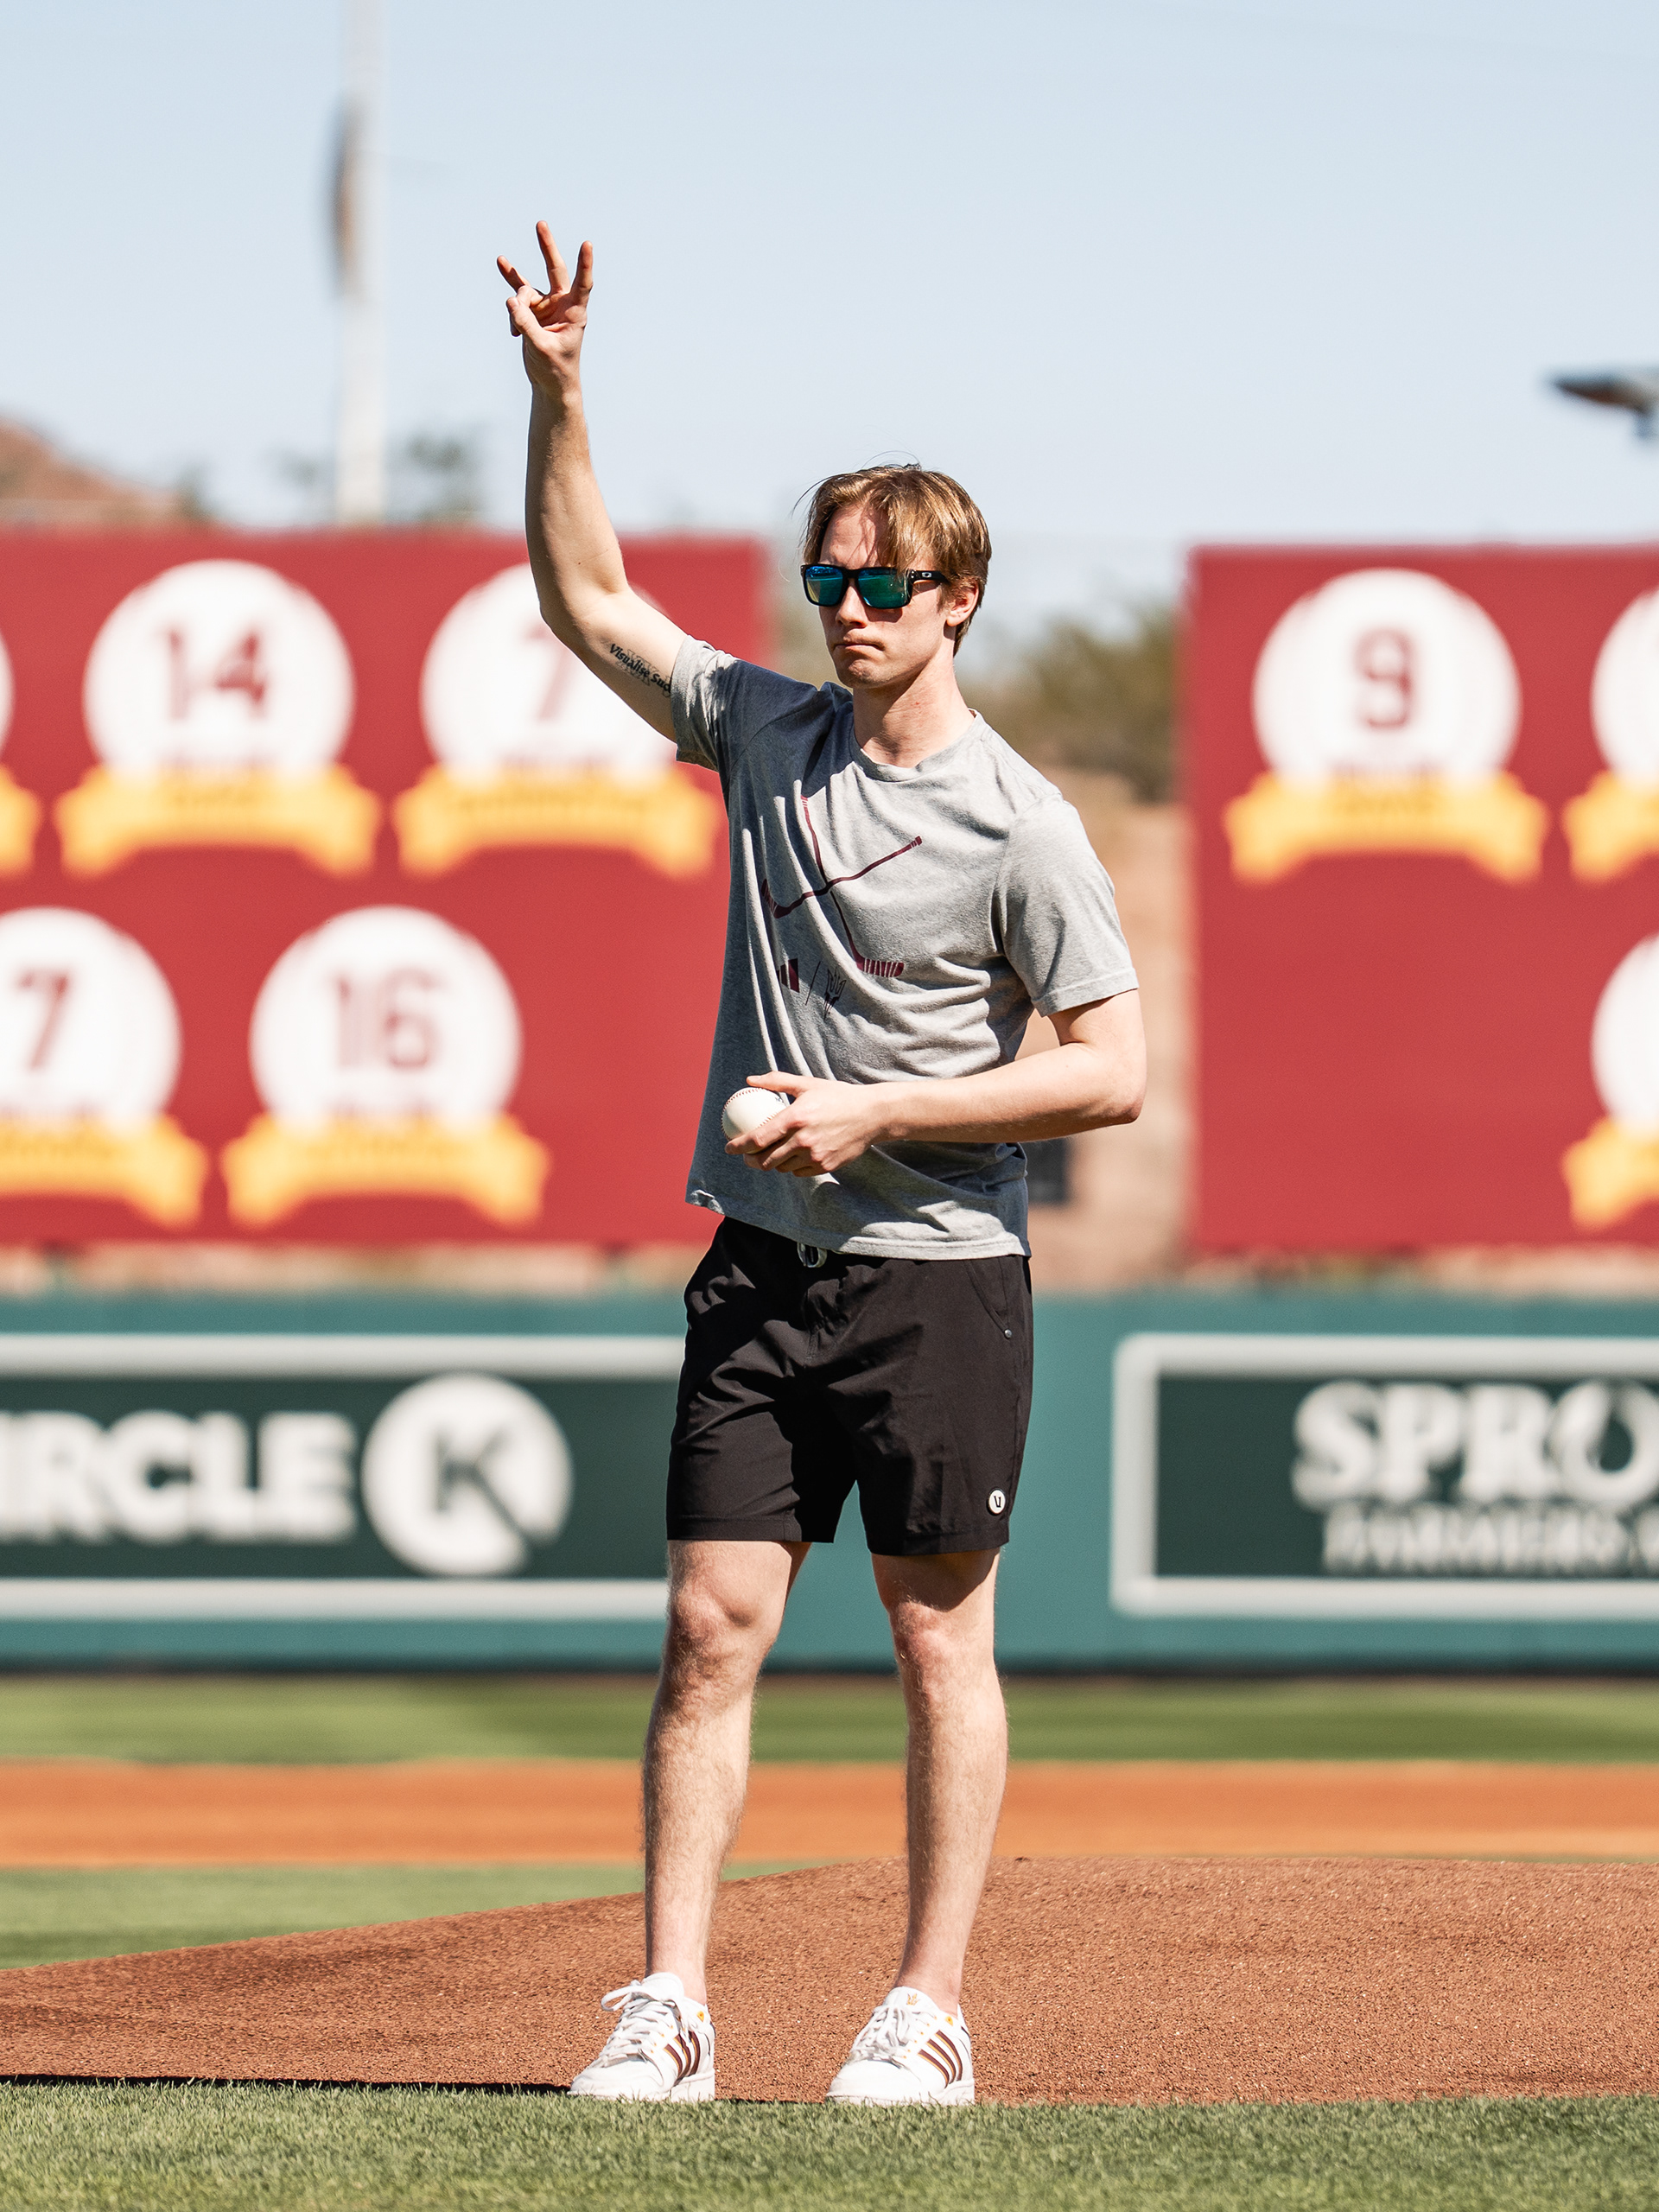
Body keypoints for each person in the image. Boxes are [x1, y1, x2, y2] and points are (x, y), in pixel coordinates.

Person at [499, 223, 1147, 2107]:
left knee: (942, 1639)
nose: (844, 607)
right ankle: (668, 2003)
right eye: (825, 575)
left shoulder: (1023, 822)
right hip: (766, 1263)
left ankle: (926, 2006)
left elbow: (1111, 1069)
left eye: (881, 582)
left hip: (940, 1275)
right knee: (711, 1625)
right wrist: (558, 393)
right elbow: (587, 599)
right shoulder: (768, 733)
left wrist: (881, 1110)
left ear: (958, 602)